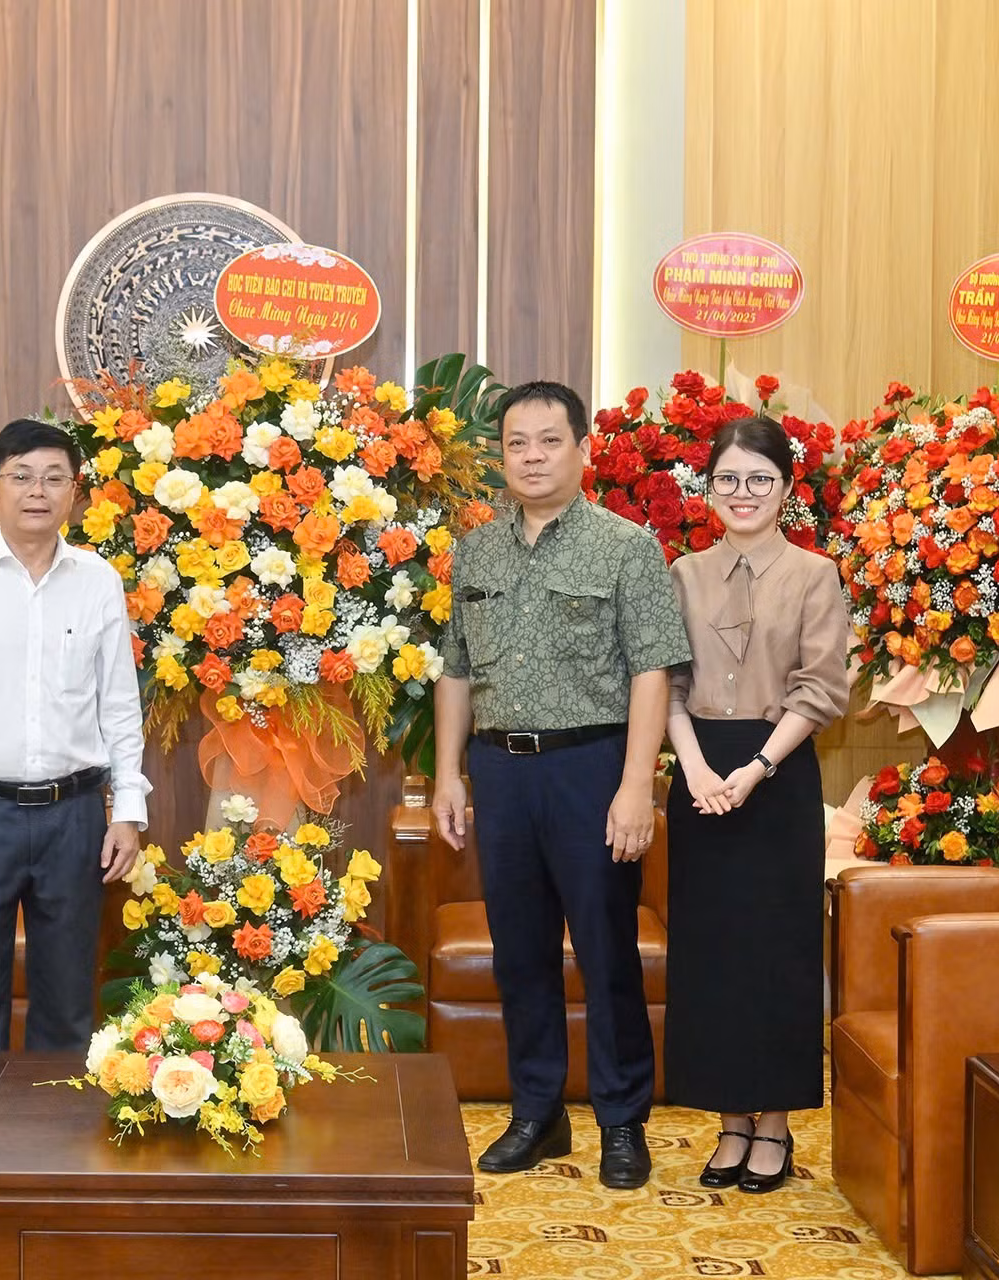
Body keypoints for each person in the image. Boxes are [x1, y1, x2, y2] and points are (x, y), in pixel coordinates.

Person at [432, 380, 691, 1188]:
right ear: (502, 456)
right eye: (517, 443)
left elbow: (652, 670)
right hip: (500, 771)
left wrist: (636, 786)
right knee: (520, 953)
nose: (532, 457)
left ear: (583, 450)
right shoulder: (475, 551)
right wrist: (448, 774)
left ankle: (622, 1120)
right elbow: (455, 671)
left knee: (607, 951)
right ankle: (537, 1112)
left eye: (549, 441)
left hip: (592, 768)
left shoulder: (626, 547)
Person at [0, 418, 148, 1064]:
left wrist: (128, 809)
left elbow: (119, 704)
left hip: (74, 814)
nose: (37, 491)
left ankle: (53, 1126)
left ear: (74, 492)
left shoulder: (97, 579)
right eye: (21, 476)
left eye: (53, 478)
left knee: (68, 1000)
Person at [663, 415, 848, 1194]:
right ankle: (730, 1119)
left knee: (778, 950)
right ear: (709, 489)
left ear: (786, 489)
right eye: (728, 479)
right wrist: (696, 768)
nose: (743, 493)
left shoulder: (814, 574)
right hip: (700, 772)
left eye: (759, 480)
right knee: (713, 954)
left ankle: (774, 1124)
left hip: (779, 772)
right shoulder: (683, 573)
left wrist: (757, 768)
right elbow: (665, 683)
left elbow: (822, 688)